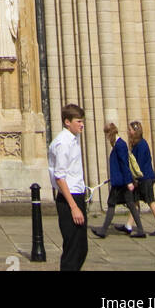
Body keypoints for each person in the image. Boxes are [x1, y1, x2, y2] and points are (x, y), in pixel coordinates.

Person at [47, 103, 88, 271]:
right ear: (67, 122)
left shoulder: (73, 139)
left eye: (82, 121)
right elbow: (60, 177)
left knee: (81, 248)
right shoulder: (63, 143)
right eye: (78, 121)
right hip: (69, 198)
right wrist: (74, 207)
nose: (82, 124)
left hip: (77, 194)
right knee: (72, 250)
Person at [91, 122, 146, 239]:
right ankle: (140, 230)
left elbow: (124, 164)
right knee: (129, 204)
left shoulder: (120, 145)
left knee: (112, 204)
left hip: (121, 182)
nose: (106, 137)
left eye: (106, 134)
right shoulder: (118, 144)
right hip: (120, 181)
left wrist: (129, 182)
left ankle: (103, 230)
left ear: (109, 133)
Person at [115, 122, 155, 236]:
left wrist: (136, 179)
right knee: (135, 203)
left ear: (135, 131)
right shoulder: (137, 144)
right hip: (142, 178)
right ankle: (128, 226)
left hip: (145, 178)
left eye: (129, 129)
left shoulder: (142, 145)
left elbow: (140, 164)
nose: (128, 132)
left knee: (151, 202)